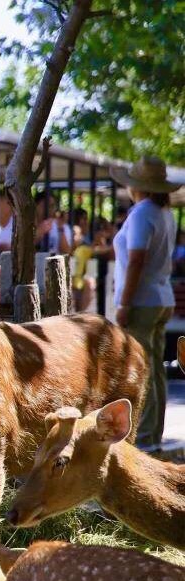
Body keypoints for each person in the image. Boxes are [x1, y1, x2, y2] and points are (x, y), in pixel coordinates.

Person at [110, 156, 181, 450]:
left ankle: (146, 438)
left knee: (142, 368)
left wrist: (125, 302)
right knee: (157, 369)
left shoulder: (141, 213)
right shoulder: (165, 213)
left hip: (142, 299)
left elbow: (137, 258)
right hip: (162, 296)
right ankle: (153, 434)